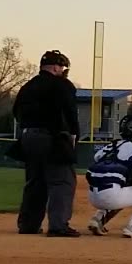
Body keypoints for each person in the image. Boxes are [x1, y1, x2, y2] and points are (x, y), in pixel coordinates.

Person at [11, 50, 80, 237]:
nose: (63, 70)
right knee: (62, 181)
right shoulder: (62, 85)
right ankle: (58, 226)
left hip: (28, 137)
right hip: (52, 137)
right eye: (62, 67)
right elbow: (70, 113)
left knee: (35, 182)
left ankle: (28, 225)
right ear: (56, 66)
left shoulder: (28, 86)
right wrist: (74, 136)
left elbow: (16, 111)